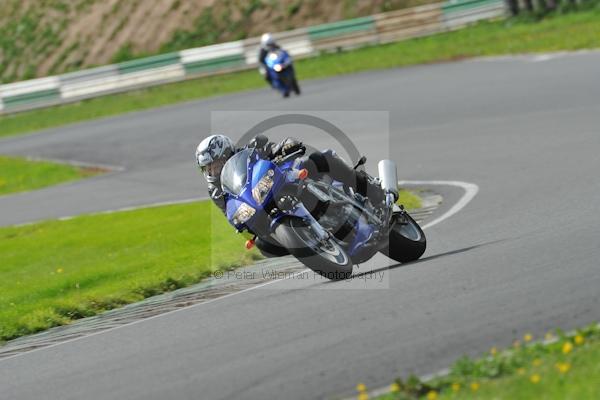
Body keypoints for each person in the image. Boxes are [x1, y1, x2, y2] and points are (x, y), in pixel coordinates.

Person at [195, 134, 384, 256]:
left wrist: (285, 146)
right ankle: (312, 243)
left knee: (323, 159)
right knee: (264, 246)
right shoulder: (217, 192)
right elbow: (230, 211)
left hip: (286, 179)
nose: (214, 171)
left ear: (228, 154)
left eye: (217, 165)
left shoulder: (249, 152)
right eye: (209, 169)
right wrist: (241, 221)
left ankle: (372, 190)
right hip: (262, 207)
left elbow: (270, 148)